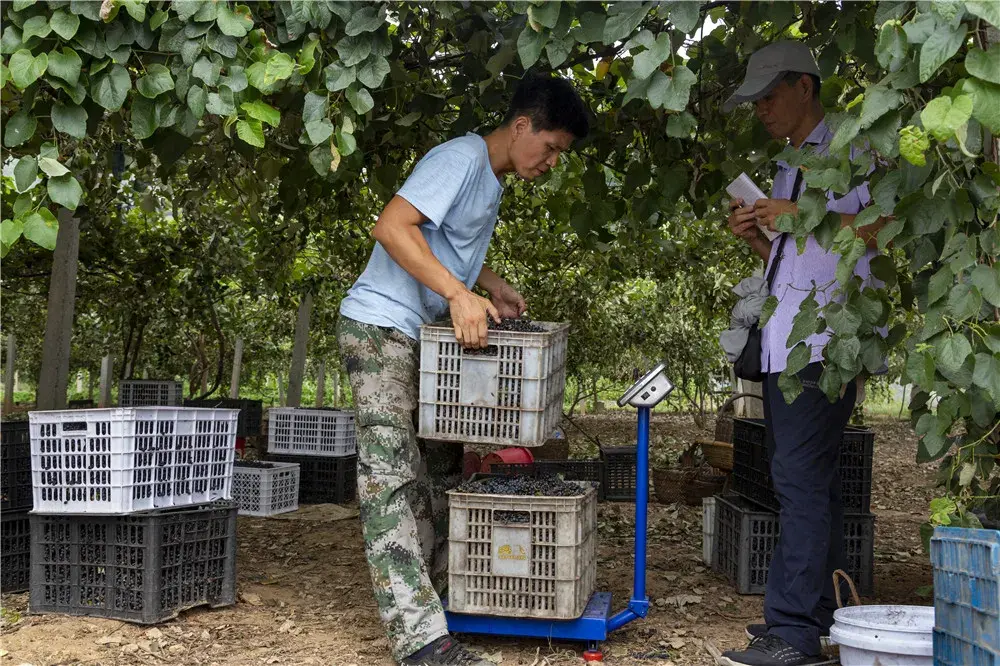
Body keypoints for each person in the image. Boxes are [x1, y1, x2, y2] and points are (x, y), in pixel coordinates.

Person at [337, 74, 589, 666]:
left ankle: (445, 603)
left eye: (561, 155)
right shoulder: (460, 158)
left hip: (418, 336)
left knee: (443, 473)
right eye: (550, 147)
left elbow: (441, 244)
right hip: (379, 330)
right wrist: (456, 295)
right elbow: (392, 227)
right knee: (391, 481)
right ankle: (421, 643)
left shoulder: (493, 181)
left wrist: (489, 284)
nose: (551, 162)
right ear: (521, 125)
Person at [720, 41, 885, 666]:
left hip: (827, 342)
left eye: (768, 96)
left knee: (797, 479)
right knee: (808, 478)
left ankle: (791, 635)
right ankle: (824, 617)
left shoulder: (855, 146)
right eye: (756, 100)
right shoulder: (792, 162)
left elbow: (880, 228)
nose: (760, 109)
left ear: (804, 88)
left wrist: (799, 214)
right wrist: (761, 240)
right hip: (791, 338)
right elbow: (803, 262)